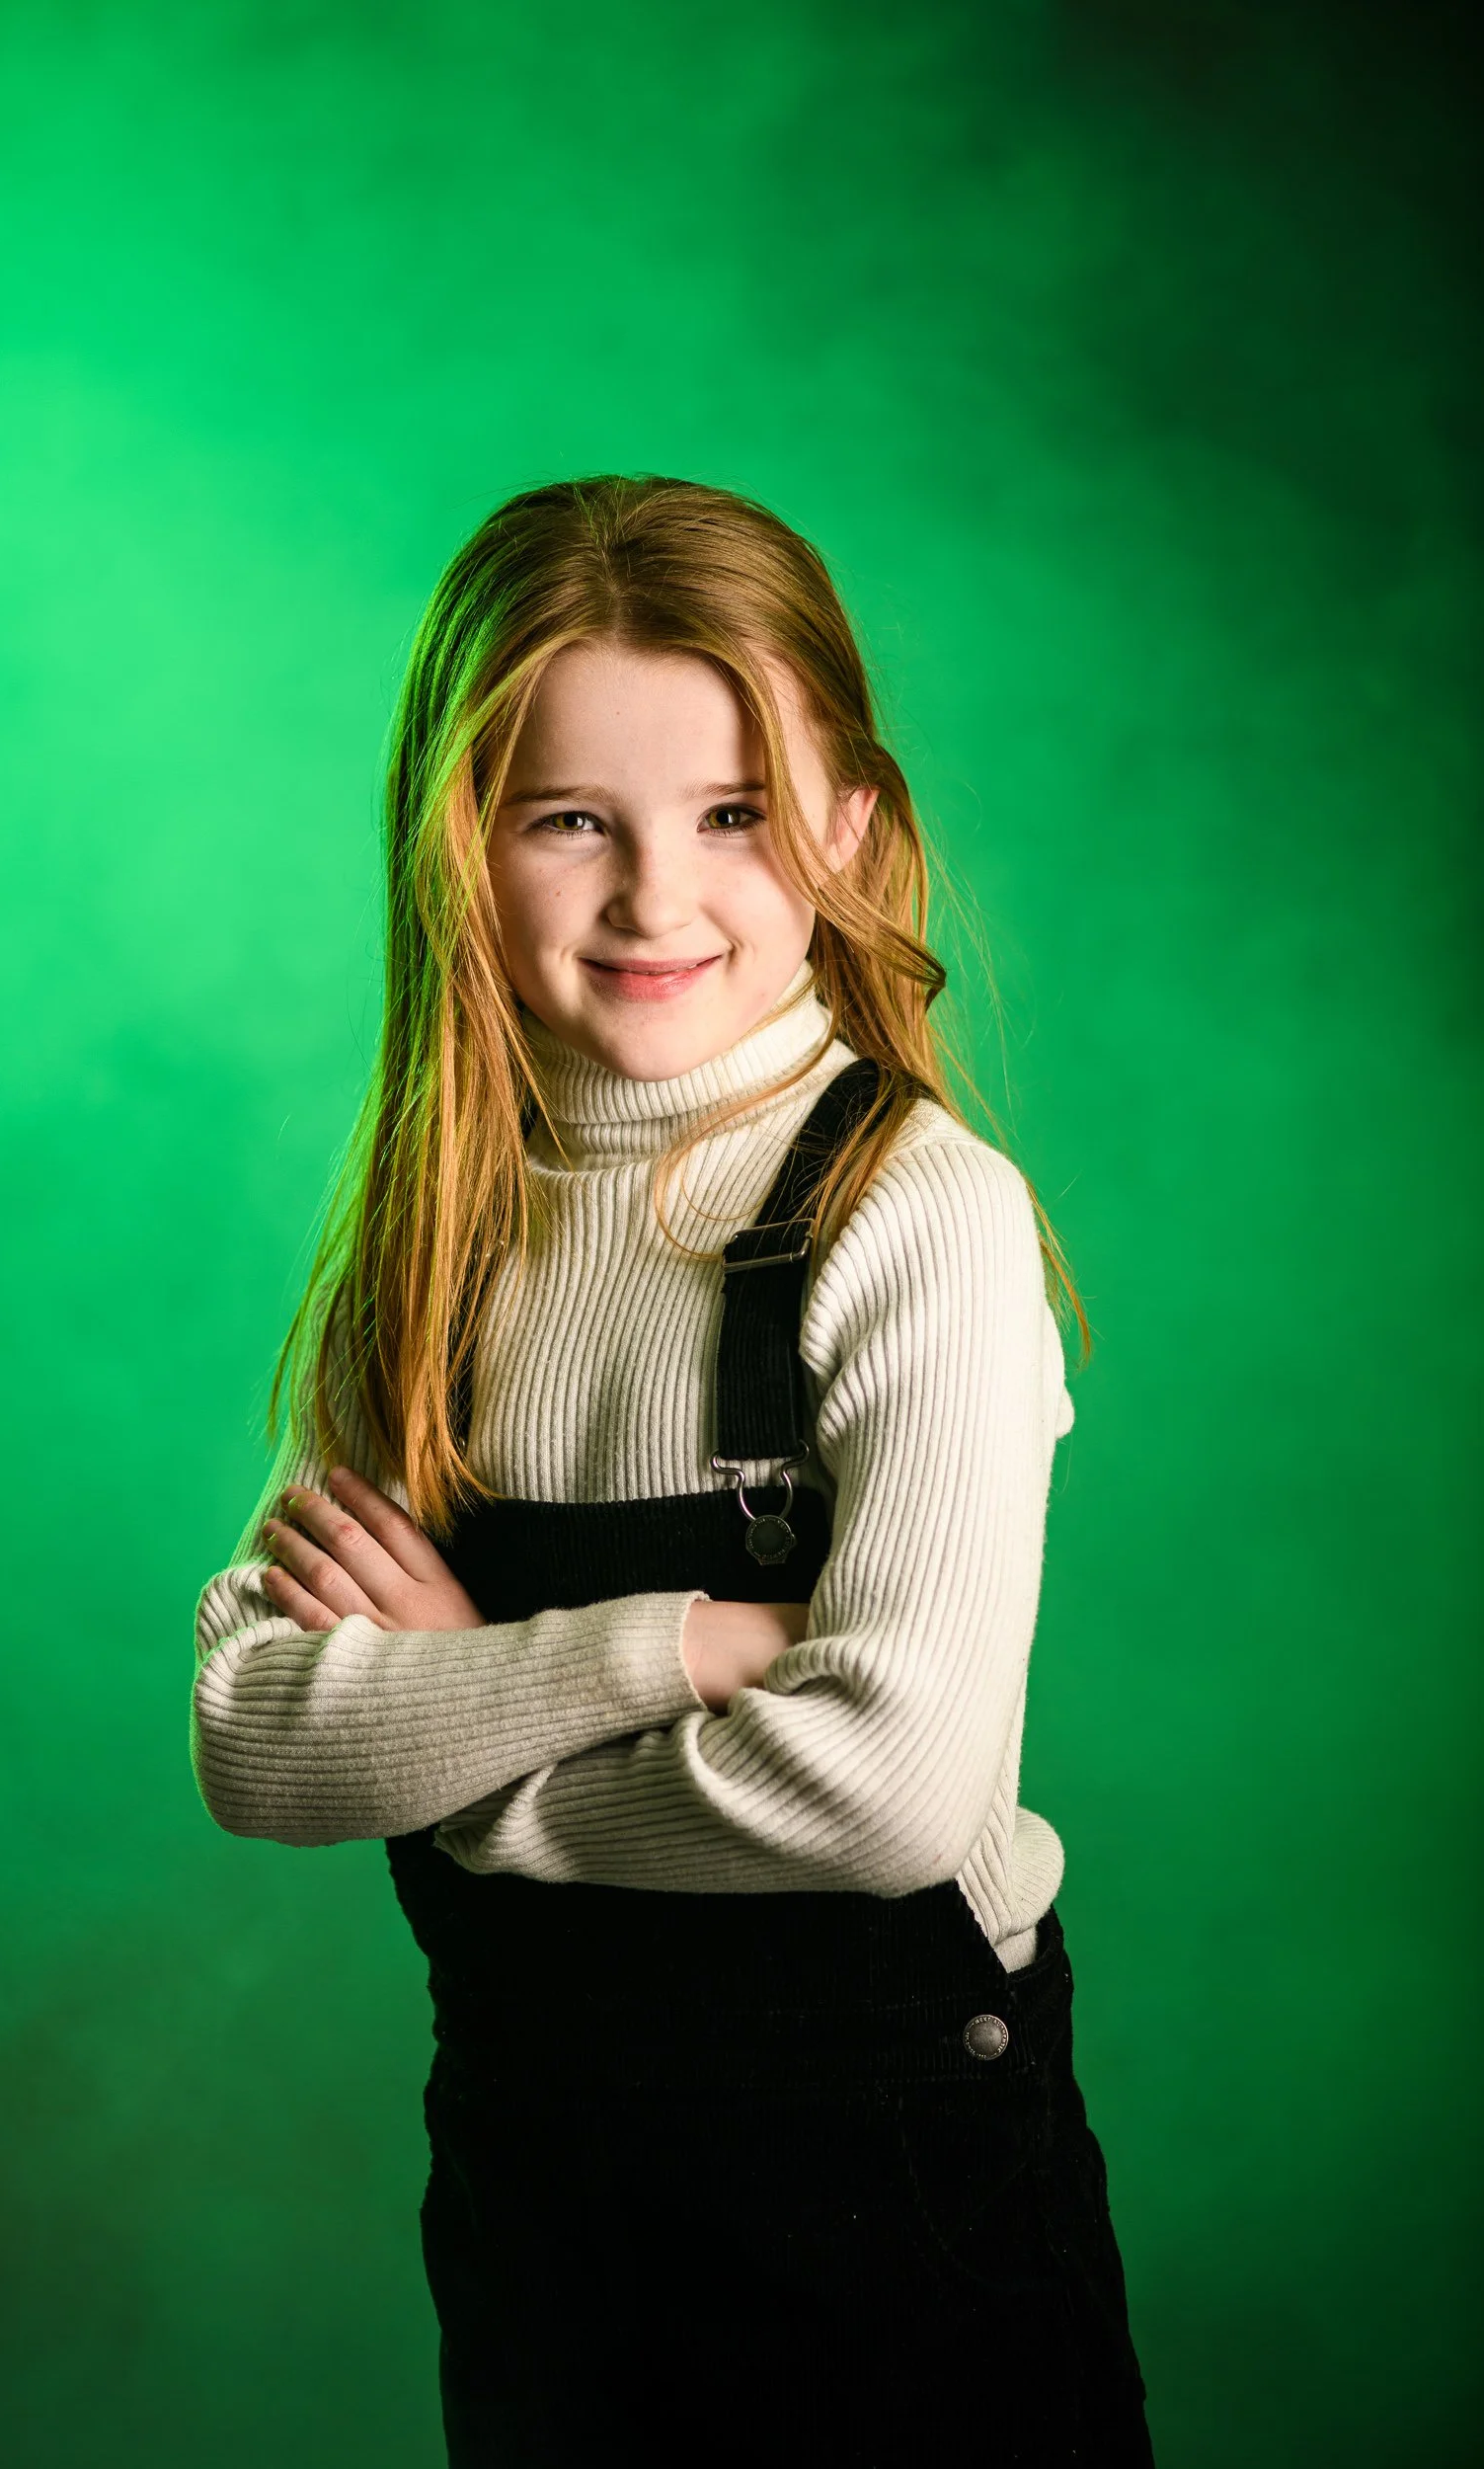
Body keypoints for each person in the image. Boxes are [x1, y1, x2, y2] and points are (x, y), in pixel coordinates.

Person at [192, 474, 1154, 2467]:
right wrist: (687, 1644)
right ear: (459, 844)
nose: (653, 897)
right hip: (553, 2218)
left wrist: (458, 1754)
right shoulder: (439, 1232)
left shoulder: (918, 1216)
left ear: (854, 827)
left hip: (900, 2223)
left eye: (731, 815)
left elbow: (883, 1786)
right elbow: (263, 1741)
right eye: (570, 820)